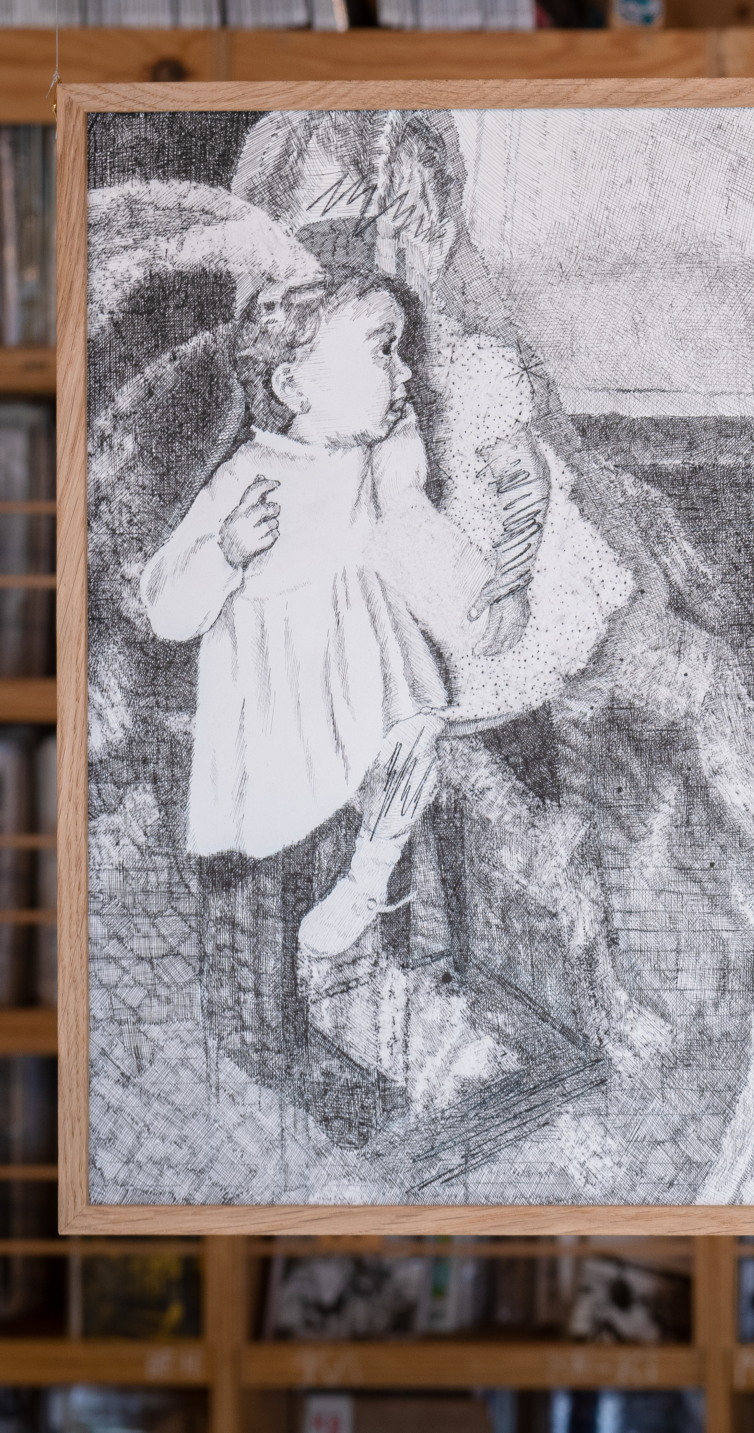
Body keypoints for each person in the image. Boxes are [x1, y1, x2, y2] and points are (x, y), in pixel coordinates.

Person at [140, 271, 529, 1116]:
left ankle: (364, 888)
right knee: (283, 843)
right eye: (383, 351)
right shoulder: (249, 474)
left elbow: (414, 529)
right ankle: (298, 1011)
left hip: (367, 669)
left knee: (418, 735)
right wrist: (229, 551)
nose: (406, 371)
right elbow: (165, 605)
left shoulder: (377, 460)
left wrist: (479, 600)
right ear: (294, 385)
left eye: (403, 350)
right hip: (279, 697)